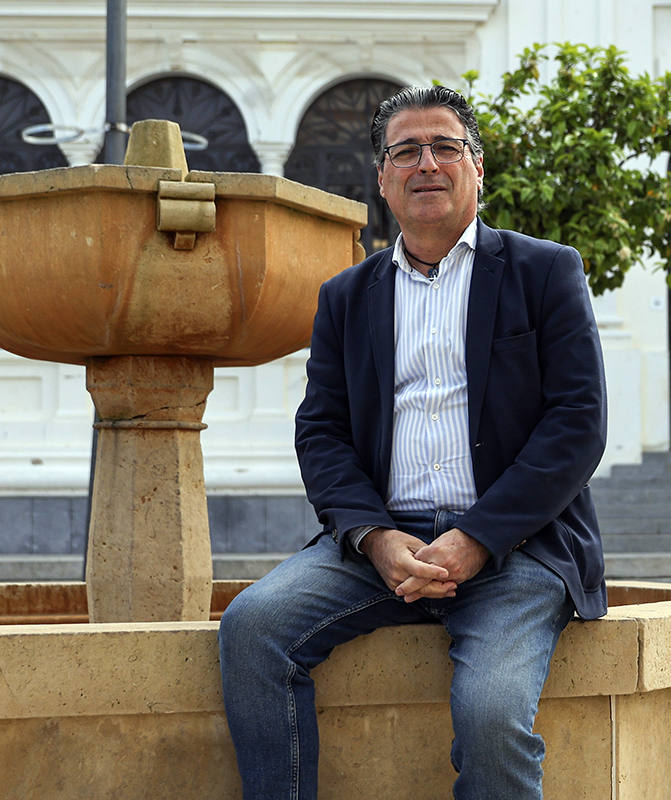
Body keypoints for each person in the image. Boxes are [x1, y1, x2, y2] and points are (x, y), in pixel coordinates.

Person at [218, 85, 607, 800]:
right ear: (383, 177)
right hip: (381, 548)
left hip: (518, 549)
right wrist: (372, 536)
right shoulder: (345, 296)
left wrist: (477, 538)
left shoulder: (545, 271)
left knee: (491, 714)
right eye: (406, 151)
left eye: (445, 147)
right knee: (251, 628)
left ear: (477, 168)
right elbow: (323, 430)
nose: (426, 163)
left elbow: (577, 422)